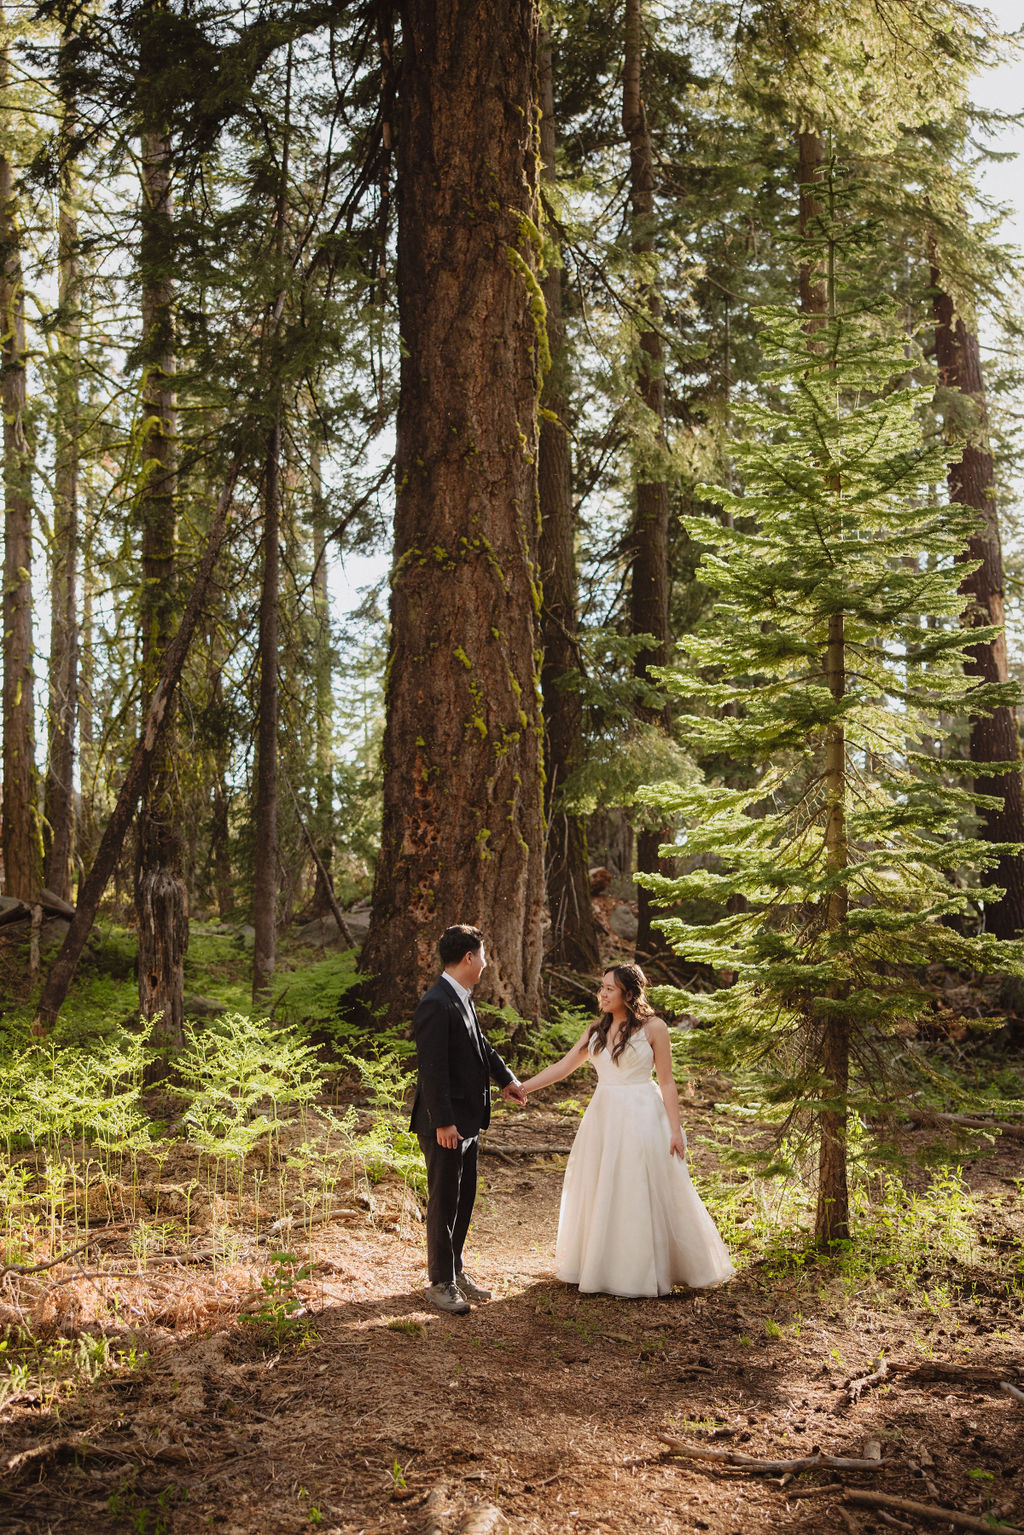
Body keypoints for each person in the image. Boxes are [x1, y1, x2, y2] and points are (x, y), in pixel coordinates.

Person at [519, 963, 734, 1298]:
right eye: (602, 987)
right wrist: (523, 1088)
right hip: (604, 1115)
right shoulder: (595, 1030)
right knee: (605, 1185)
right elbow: (563, 1067)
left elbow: (666, 1082)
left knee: (638, 1186)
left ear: (629, 994)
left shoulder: (655, 1028)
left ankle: (644, 1271)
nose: (602, 994)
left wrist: (676, 1131)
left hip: (642, 1114)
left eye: (610, 989)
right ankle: (604, 1266)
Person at [410, 924, 527, 1314]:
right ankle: (440, 1282)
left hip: (468, 1121)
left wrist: (507, 1079)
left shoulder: (462, 997)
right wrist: (442, 1121)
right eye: (483, 955)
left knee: (463, 1199)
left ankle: (456, 1269)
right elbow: (432, 1069)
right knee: (444, 1200)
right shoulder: (436, 1002)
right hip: (445, 1124)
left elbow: (481, 1047)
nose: (486, 963)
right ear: (468, 958)